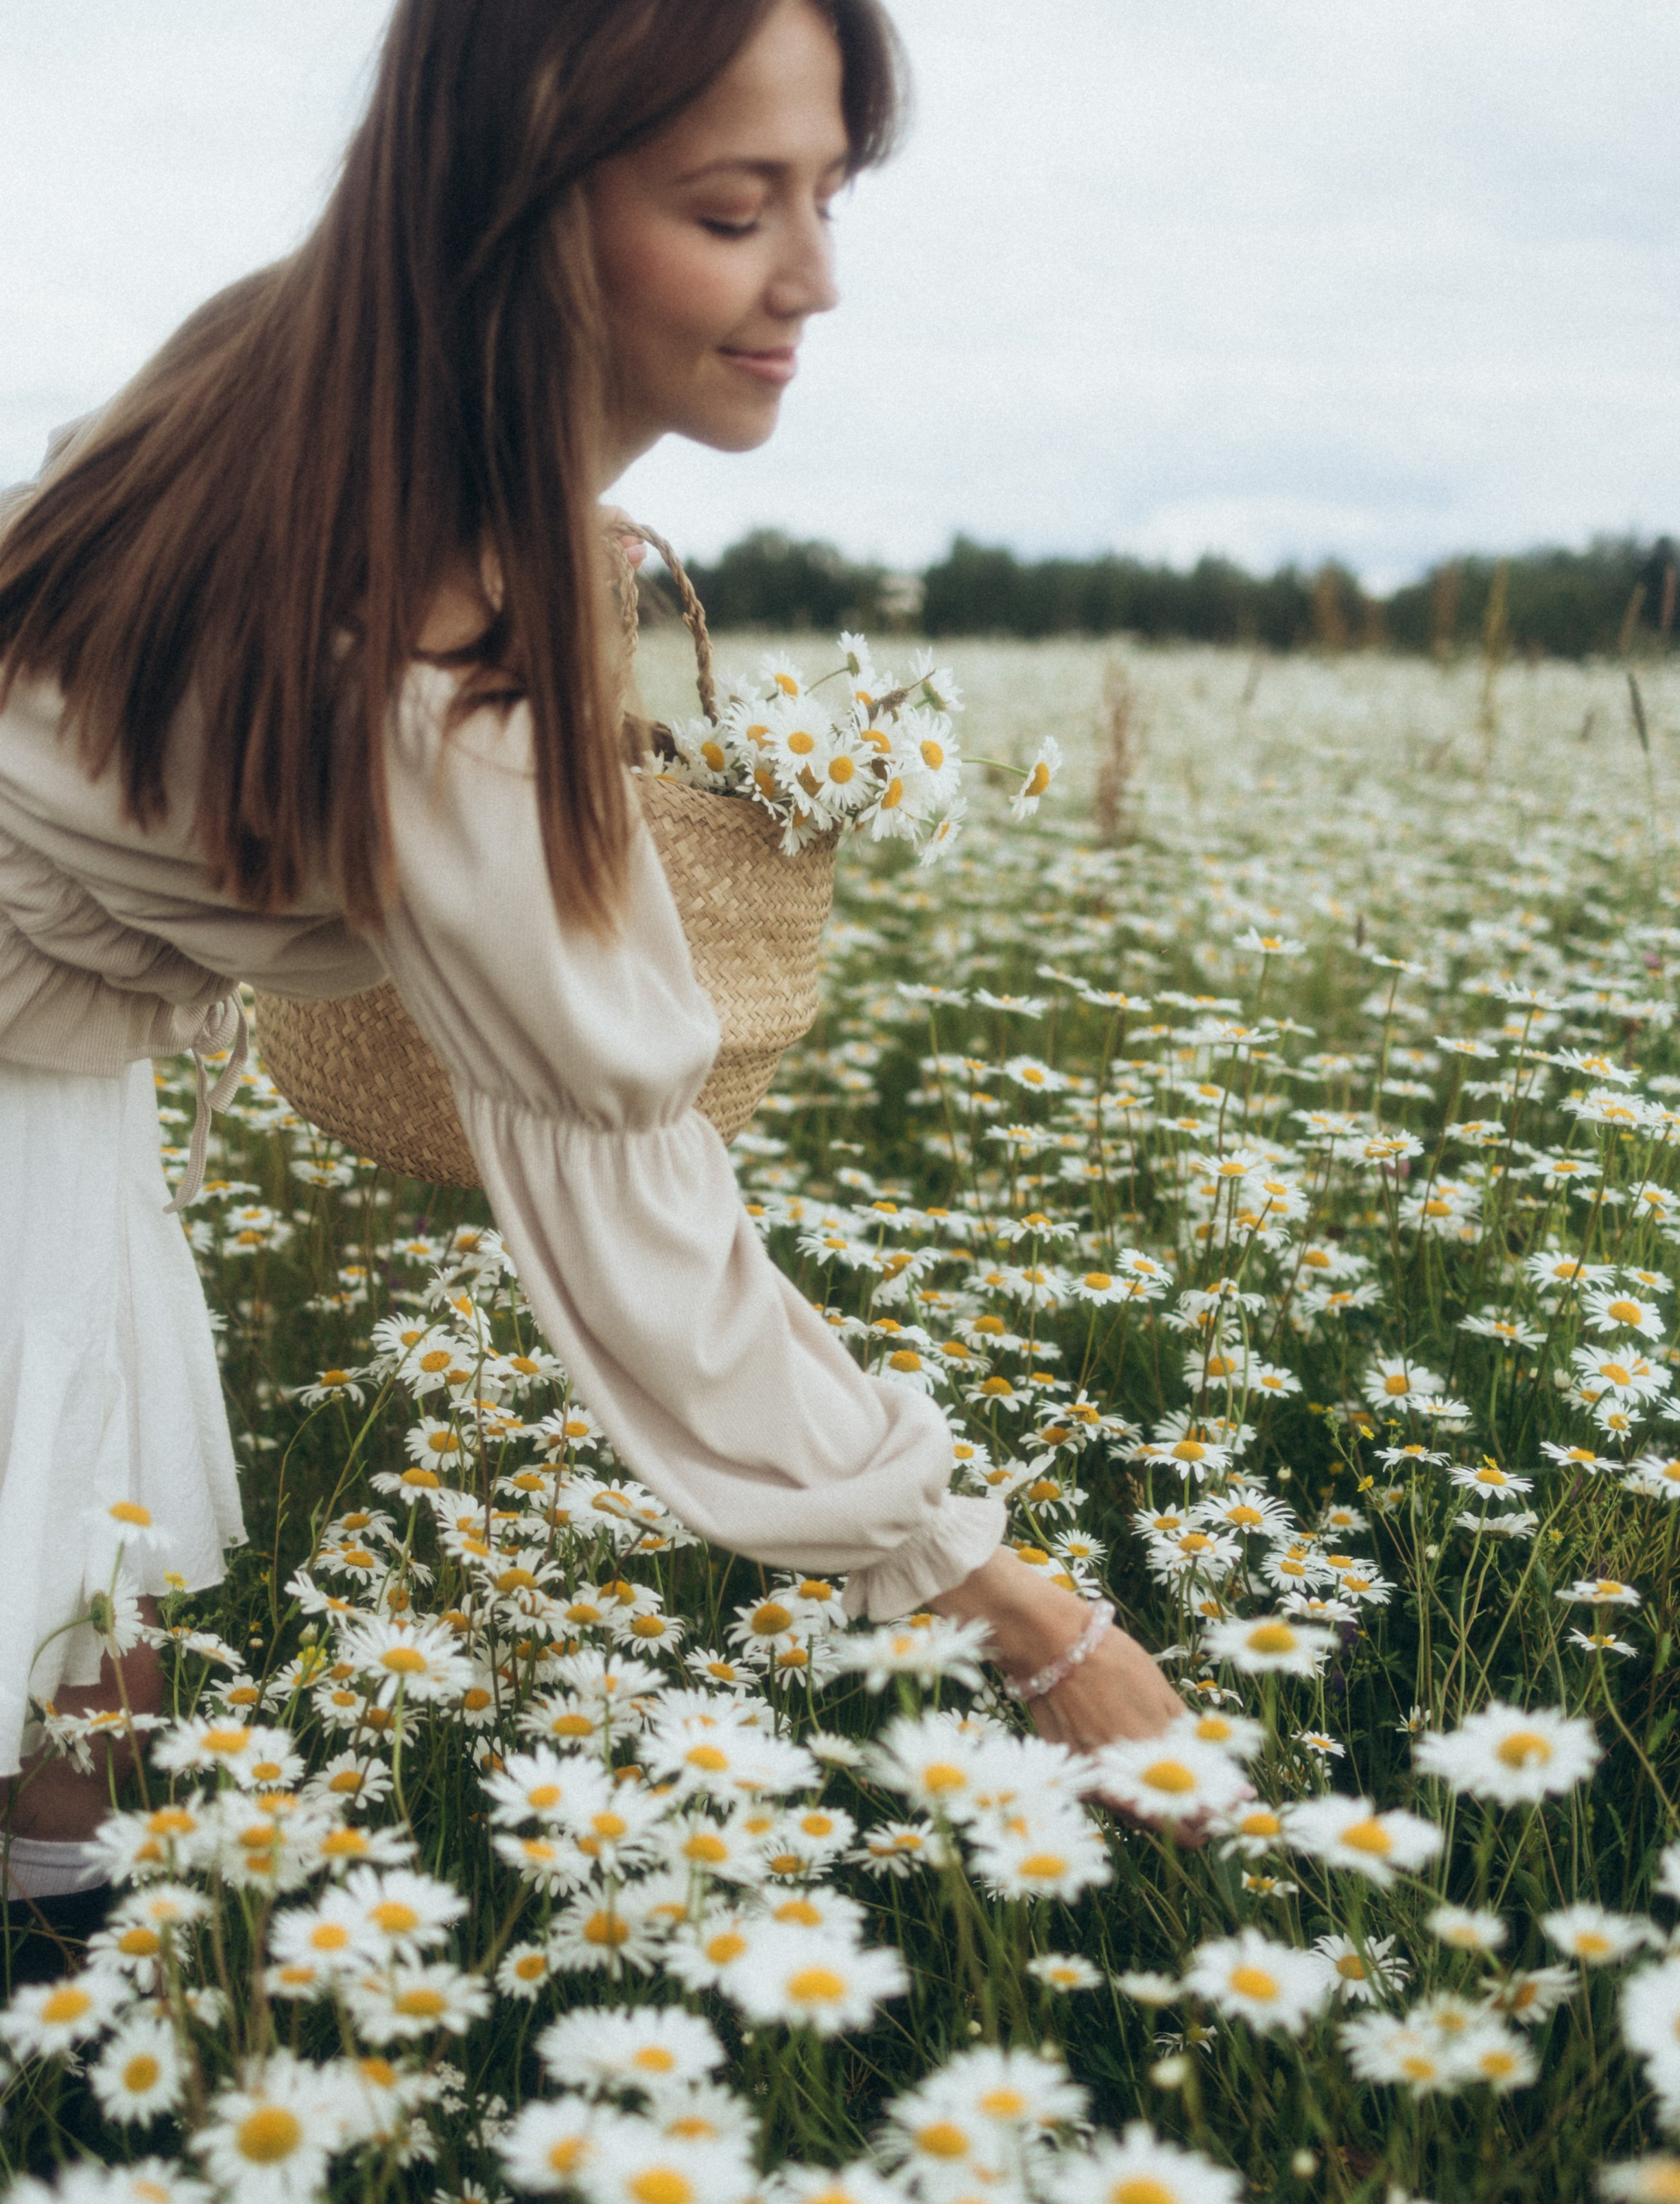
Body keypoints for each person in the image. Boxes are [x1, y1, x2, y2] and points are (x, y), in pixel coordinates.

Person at [0, 0, 1182, 1908]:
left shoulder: (285, 359)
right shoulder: (448, 670)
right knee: (59, 1658)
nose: (812, 276)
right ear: (529, 215)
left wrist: (538, 511)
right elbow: (639, 1200)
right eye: (733, 211)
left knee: (76, 1673)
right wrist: (1013, 1611)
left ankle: (75, 2115)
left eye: (826, 193)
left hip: (38, 1076)